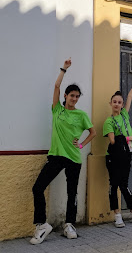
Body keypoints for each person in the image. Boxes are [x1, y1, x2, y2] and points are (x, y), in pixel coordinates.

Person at [30, 58, 96, 245]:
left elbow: (93, 132)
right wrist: (64, 69)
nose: (74, 99)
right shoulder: (57, 110)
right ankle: (42, 225)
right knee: (37, 188)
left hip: (74, 159)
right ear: (65, 96)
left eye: (77, 96)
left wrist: (82, 145)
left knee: (72, 193)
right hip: (57, 157)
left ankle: (69, 225)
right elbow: (57, 87)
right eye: (71, 95)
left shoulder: (81, 115)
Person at [103, 74, 132, 228]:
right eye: (114, 102)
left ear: (122, 105)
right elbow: (113, 141)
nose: (117, 104)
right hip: (113, 156)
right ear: (111, 103)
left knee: (124, 185)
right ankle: (117, 215)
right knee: (114, 185)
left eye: (119, 102)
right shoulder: (108, 121)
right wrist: (129, 138)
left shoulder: (124, 114)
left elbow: (130, 96)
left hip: (126, 154)